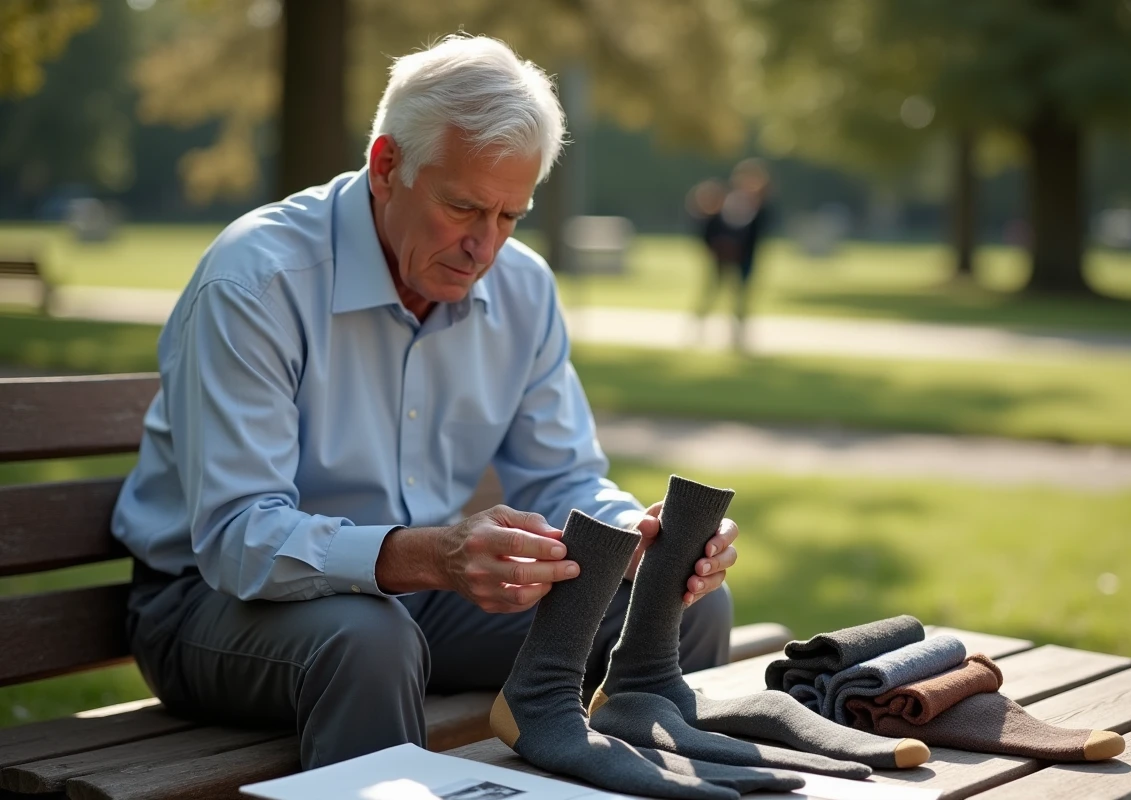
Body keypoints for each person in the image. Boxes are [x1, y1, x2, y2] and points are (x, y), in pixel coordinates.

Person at [109, 35, 740, 771]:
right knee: (368, 638)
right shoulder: (257, 282)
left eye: (510, 216)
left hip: (414, 602)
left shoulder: (524, 289)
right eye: (463, 207)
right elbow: (238, 537)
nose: (486, 247)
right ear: (386, 167)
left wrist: (641, 539)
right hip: (211, 606)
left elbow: (564, 478)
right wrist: (433, 556)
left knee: (679, 609)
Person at [693, 158, 772, 351]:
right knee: (713, 291)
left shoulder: (759, 207)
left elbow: (759, 230)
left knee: (741, 296)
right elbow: (713, 226)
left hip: (745, 256)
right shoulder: (729, 202)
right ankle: (698, 329)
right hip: (723, 255)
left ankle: (738, 335)